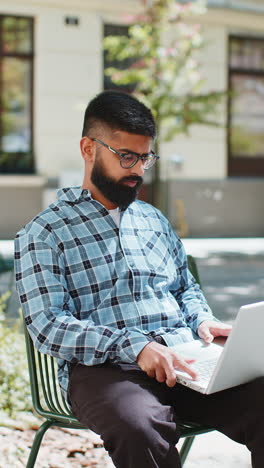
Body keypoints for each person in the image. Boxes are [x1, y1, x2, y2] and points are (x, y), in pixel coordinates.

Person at [15, 90, 264, 468]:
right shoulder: (45, 232)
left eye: (145, 157)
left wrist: (203, 321)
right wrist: (134, 346)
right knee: (140, 427)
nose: (136, 170)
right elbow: (48, 325)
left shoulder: (153, 220)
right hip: (106, 371)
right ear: (88, 148)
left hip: (185, 361)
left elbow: (185, 288)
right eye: (126, 157)